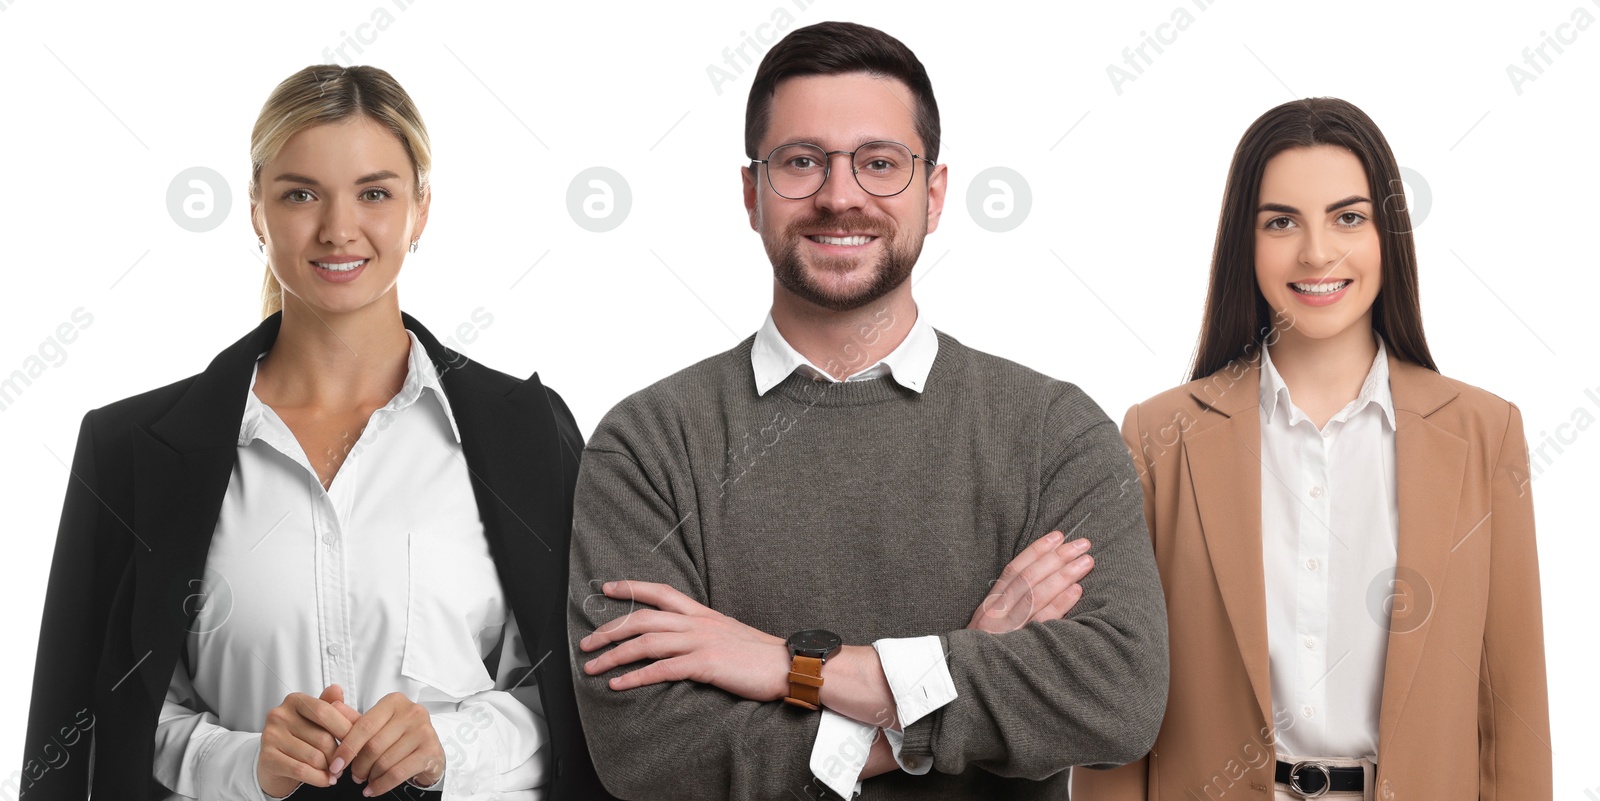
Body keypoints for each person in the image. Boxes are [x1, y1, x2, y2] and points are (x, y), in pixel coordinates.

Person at [567, 21, 1168, 801]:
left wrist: (789, 665)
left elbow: (1116, 696)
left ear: (935, 192)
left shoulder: (1053, 431)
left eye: (879, 164)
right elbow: (650, 753)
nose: (840, 195)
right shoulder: (646, 445)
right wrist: (944, 684)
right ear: (752, 194)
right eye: (801, 162)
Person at [20, 65, 608, 800]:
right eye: (300, 193)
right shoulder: (129, 449)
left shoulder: (529, 434)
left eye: (375, 192)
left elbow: (584, 706)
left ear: (421, 210)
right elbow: (97, 728)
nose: (338, 228)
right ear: (257, 211)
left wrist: (445, 746)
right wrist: (244, 762)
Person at [1072, 98, 1552, 800]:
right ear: (1246, 239)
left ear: (1387, 233)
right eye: (1281, 222)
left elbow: (1512, 713)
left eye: (1348, 217)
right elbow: (1118, 705)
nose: (1317, 251)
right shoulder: (1159, 437)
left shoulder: (1484, 433)